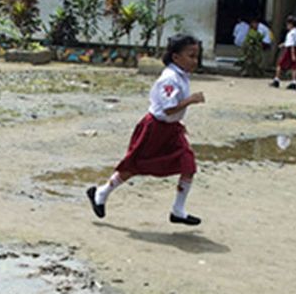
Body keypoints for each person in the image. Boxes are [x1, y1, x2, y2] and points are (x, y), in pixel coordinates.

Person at [86, 35, 206, 225]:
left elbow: (172, 111)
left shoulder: (181, 76)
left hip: (171, 128)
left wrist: (179, 123)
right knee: (135, 165)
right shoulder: (170, 78)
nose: (195, 61)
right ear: (176, 57)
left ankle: (178, 210)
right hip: (155, 128)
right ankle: (101, 193)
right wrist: (191, 100)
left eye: (196, 56)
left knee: (188, 164)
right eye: (191, 56)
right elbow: (168, 108)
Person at [269, 15, 296, 90]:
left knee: (280, 64)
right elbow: (295, 42)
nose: (287, 26)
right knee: (294, 66)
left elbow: (292, 44)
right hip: (295, 49)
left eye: (288, 24)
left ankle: (276, 80)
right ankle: (294, 82)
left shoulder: (291, 33)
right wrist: (283, 44)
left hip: (290, 50)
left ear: (291, 24)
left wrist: (292, 54)